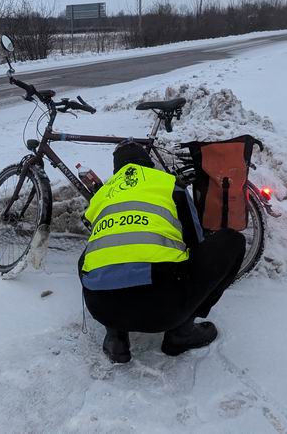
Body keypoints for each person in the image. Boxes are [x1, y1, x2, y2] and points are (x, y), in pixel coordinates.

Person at [78, 141, 247, 363]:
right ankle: (181, 333)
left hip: (101, 308)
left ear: (117, 170)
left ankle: (115, 337)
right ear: (149, 164)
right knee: (233, 241)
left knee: (93, 254)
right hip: (164, 308)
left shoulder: (102, 194)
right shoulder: (168, 183)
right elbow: (195, 240)